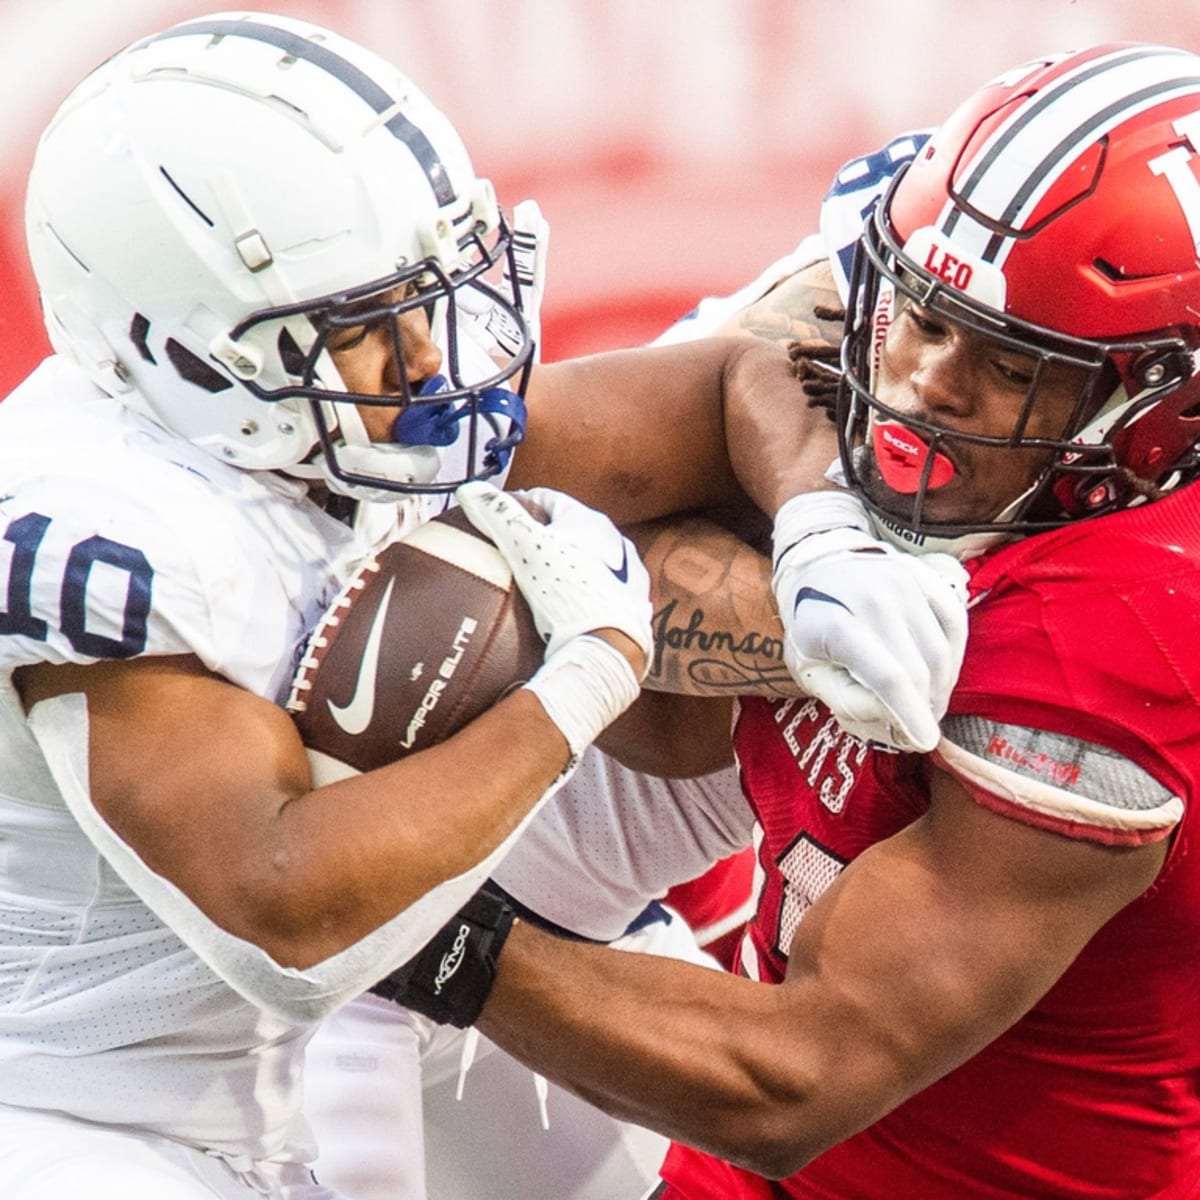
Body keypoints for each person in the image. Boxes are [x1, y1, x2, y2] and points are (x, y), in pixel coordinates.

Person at [0, 11, 969, 1200]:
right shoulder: (100, 532)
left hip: (351, 1023)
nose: (432, 357)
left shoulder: (330, 411)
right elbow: (284, 919)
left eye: (434, 294)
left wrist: (822, 532)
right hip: (86, 1110)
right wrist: (581, 679)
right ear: (188, 360)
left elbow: (726, 378)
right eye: (368, 332)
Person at [382, 41, 1200, 1200]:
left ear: (1164, 412)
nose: (925, 383)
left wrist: (414, 932)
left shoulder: (1126, 626)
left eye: (1013, 364)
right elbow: (513, 468)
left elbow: (794, 1082)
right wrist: (809, 556)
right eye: (920, 312)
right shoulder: (900, 323)